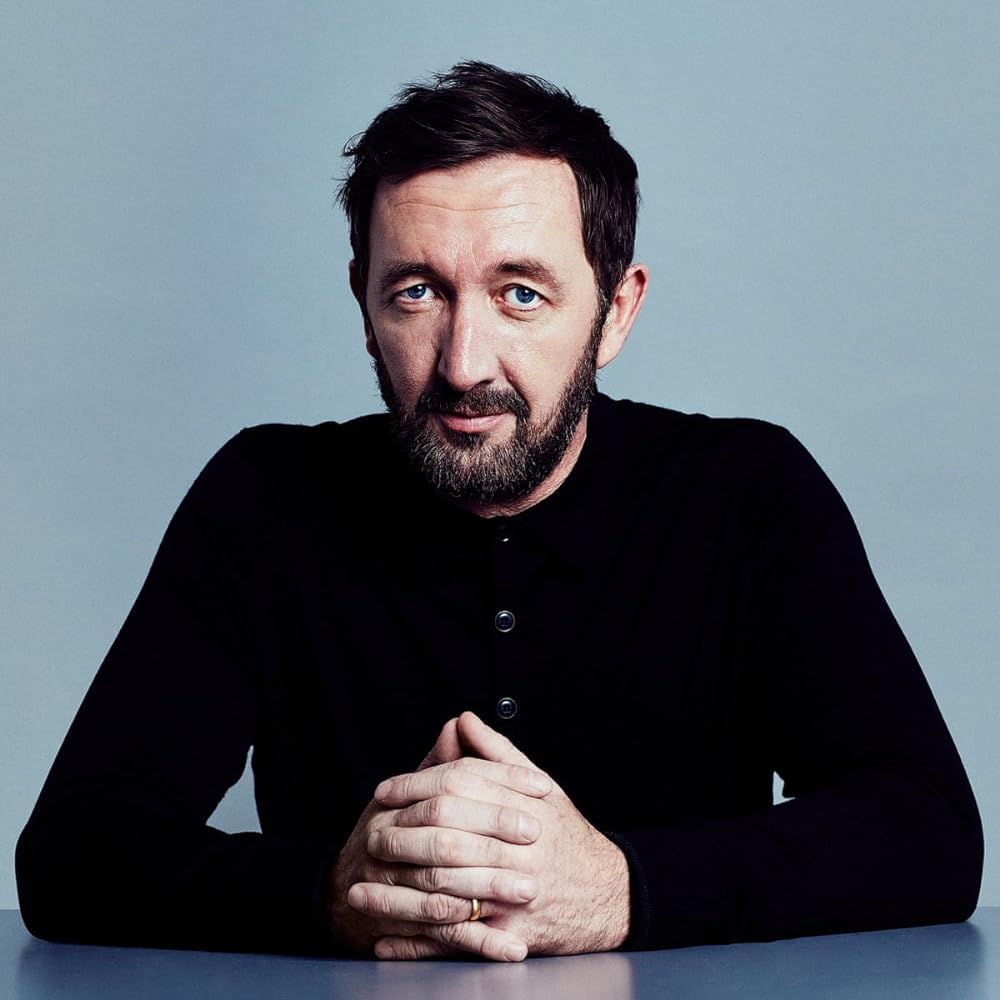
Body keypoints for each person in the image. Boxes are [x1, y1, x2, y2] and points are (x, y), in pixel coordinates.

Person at [16, 61, 982, 963]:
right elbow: (71, 854)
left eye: (520, 293)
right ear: (363, 304)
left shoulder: (747, 494)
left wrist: (621, 890)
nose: (464, 362)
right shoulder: (263, 502)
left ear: (615, 311)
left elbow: (930, 833)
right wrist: (331, 891)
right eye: (417, 292)